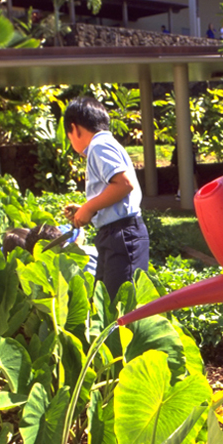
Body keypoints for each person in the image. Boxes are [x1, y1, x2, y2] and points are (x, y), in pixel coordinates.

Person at [63, 96, 149, 299]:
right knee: (106, 302)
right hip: (115, 234)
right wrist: (87, 208)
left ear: (75, 129)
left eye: (69, 137)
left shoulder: (98, 146)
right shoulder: (106, 144)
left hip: (122, 235)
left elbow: (124, 184)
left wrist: (90, 208)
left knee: (119, 308)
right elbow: (114, 190)